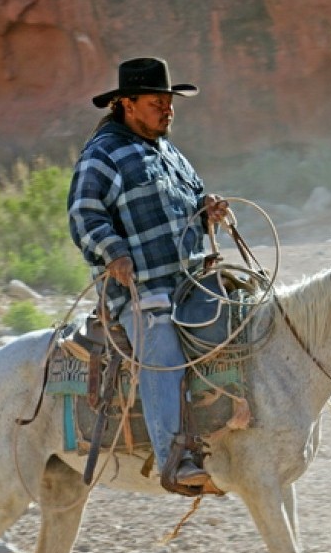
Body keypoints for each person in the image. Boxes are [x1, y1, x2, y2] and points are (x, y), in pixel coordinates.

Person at [68, 57, 228, 492]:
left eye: (170, 101)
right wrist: (114, 252)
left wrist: (207, 209)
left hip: (189, 281)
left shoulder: (169, 152)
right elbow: (84, 215)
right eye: (157, 101)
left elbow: (192, 199)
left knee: (246, 318)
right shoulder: (102, 155)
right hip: (141, 292)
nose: (168, 109)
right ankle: (175, 459)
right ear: (127, 104)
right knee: (160, 350)